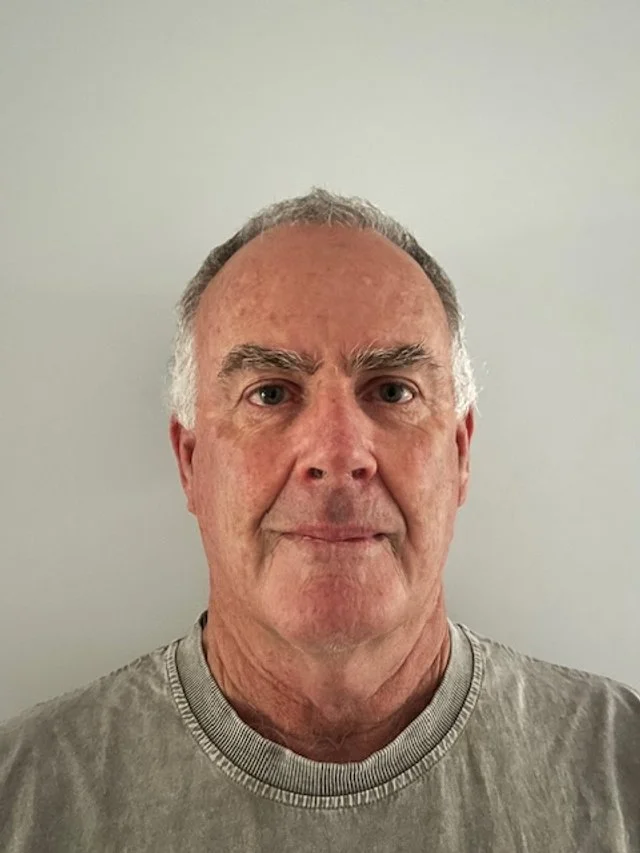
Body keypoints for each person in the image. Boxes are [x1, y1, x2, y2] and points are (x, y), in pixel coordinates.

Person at [1, 188, 638, 851]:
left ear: (459, 452)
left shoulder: (621, 771)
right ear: (191, 462)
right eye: (270, 393)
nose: (337, 455)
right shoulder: (26, 799)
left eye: (393, 390)